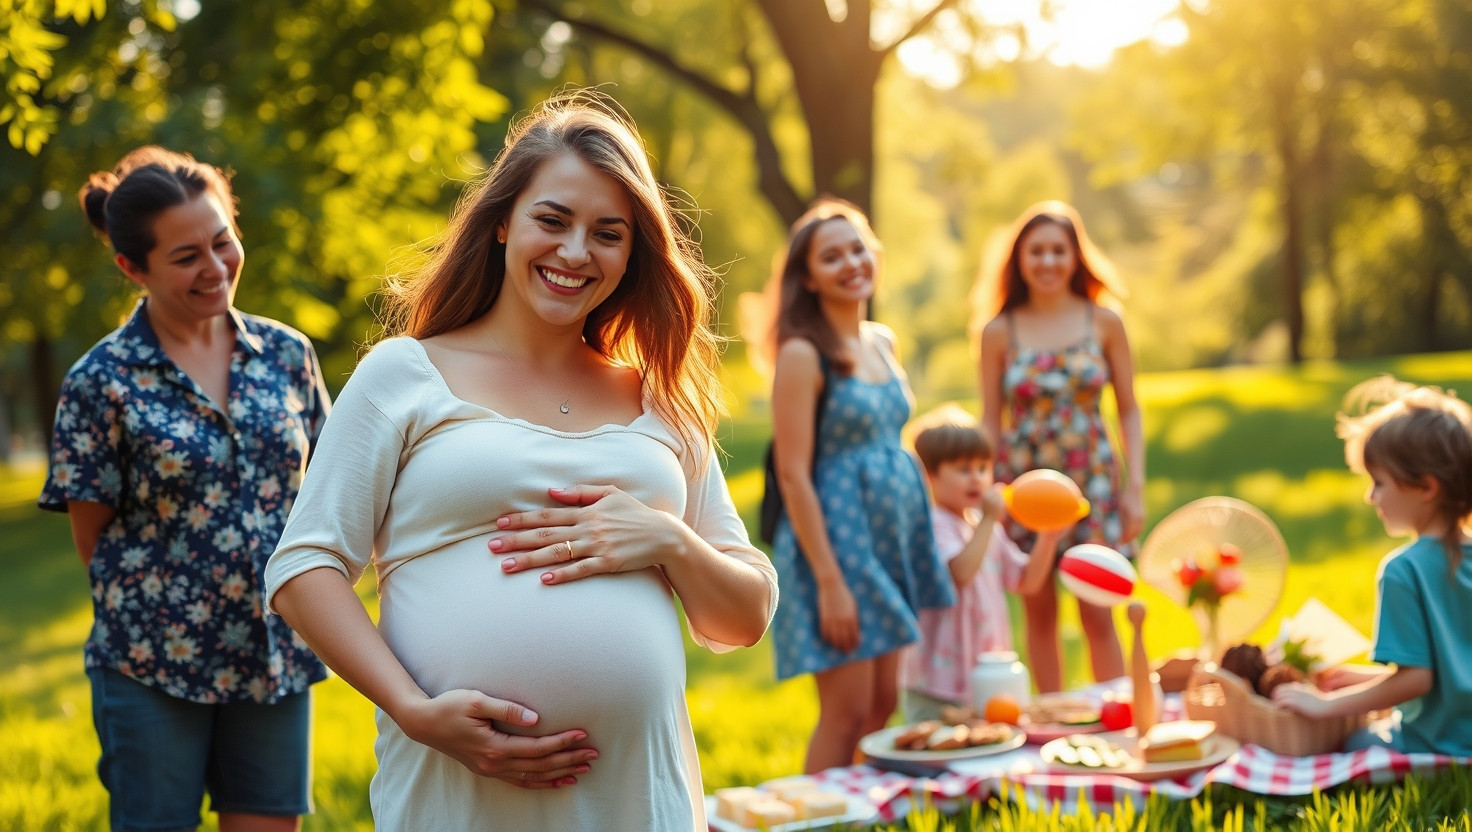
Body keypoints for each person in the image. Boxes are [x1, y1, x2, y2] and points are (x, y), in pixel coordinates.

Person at [263, 92, 777, 831]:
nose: (576, 252)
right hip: (464, 799)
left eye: (609, 233)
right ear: (503, 221)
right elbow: (303, 566)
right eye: (553, 220)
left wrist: (669, 540)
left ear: (633, 254)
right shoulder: (406, 374)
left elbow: (745, 616)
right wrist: (415, 711)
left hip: (637, 800)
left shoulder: (658, 401)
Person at [39, 146, 329, 832]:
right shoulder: (99, 381)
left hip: (273, 655)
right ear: (132, 268)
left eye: (222, 242)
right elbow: (92, 541)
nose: (215, 267)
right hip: (152, 668)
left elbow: (327, 491)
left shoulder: (289, 356)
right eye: (186, 256)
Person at [763, 197, 955, 774]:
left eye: (857, 249)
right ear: (808, 277)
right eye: (831, 256)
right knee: (845, 712)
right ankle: (817, 813)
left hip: (890, 537)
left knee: (882, 703)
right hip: (837, 548)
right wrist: (830, 582)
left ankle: (861, 812)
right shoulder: (802, 354)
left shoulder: (882, 341)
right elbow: (793, 473)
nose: (850, 263)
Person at [973, 201, 1144, 693]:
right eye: (1036, 252)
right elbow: (990, 415)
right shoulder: (999, 331)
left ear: (1075, 256)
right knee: (1039, 611)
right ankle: (1052, 725)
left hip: (1093, 479)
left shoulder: (1104, 322)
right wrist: (985, 489)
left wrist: (1135, 485)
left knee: (1098, 609)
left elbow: (1129, 407)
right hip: (1025, 484)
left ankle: (1118, 720)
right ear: (1019, 260)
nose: (1047, 262)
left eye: (1058, 250)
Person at [1273, 376, 1472, 756]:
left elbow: (1417, 681)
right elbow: (1453, 671)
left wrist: (1326, 706)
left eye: (1379, 482)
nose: (1370, 496)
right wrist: (1366, 679)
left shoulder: (1403, 570)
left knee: (1352, 742)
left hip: (1436, 743)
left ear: (1427, 488)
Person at [899, 404, 1064, 722]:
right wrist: (989, 520)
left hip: (988, 673)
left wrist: (1048, 538)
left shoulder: (983, 525)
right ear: (929, 476)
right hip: (938, 683)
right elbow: (959, 573)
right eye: (963, 469)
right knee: (935, 752)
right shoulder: (932, 524)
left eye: (982, 468)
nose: (976, 479)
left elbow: (1026, 581)